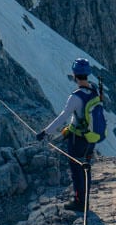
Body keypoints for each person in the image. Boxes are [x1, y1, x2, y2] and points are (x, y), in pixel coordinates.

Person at [36, 59, 99, 211]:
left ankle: (79, 202)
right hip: (91, 138)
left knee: (76, 169)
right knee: (86, 167)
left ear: (75, 75)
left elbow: (63, 117)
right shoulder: (94, 90)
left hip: (78, 139)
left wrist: (46, 132)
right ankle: (85, 200)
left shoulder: (76, 97)